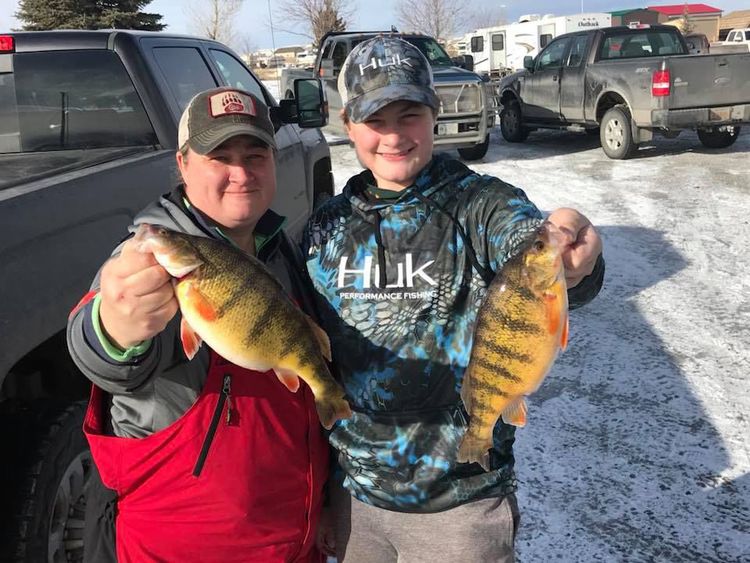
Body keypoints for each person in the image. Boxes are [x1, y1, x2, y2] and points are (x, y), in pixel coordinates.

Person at [302, 37, 605, 562]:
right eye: (376, 119)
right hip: (356, 503)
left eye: (410, 114)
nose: (394, 136)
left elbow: (526, 243)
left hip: (462, 507)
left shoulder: (481, 204)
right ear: (348, 124)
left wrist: (575, 262)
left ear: (434, 116)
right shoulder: (325, 228)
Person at [67, 87, 328, 563]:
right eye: (219, 156)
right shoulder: (156, 259)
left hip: (289, 544)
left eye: (255, 154)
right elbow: (103, 348)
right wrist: (112, 331)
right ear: (183, 165)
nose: (241, 172)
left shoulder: (279, 247)